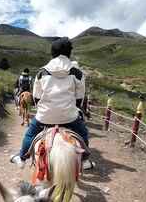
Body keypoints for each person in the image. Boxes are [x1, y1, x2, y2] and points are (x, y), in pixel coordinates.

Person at [10, 37, 94, 170]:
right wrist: (72, 109)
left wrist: (44, 108)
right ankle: (84, 160)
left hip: (45, 117)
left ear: (52, 53)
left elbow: (36, 98)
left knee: (30, 134)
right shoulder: (77, 73)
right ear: (69, 53)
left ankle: (21, 157)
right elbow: (79, 99)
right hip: (69, 117)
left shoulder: (41, 73)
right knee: (83, 133)